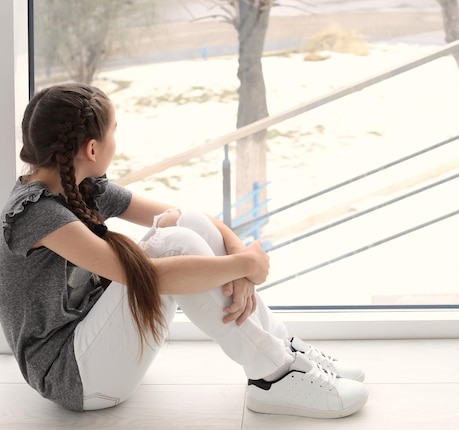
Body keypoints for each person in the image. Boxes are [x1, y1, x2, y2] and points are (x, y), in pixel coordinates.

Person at [0, 83, 368, 419]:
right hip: (74, 376)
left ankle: (283, 350)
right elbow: (149, 276)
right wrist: (242, 265)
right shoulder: (38, 215)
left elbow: (190, 217)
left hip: (96, 346)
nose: (117, 140)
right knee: (173, 244)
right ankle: (274, 375)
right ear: (91, 149)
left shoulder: (81, 186)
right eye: (114, 131)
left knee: (186, 225)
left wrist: (241, 265)